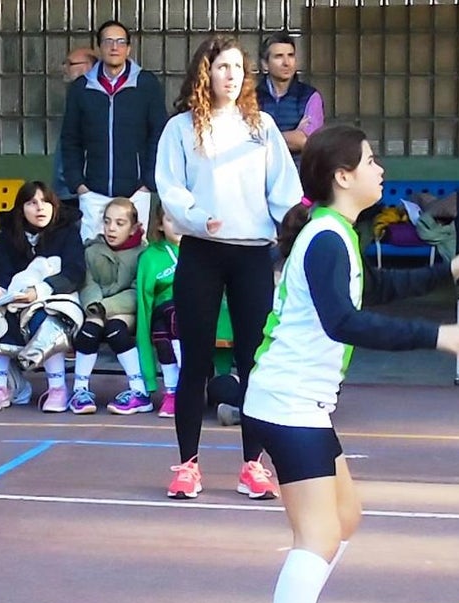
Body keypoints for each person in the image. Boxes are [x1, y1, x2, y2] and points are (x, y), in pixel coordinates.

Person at [245, 124, 459, 603]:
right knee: (318, 537)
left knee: (344, 519)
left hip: (305, 403)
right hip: (287, 403)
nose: (381, 169)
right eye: (372, 161)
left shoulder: (339, 235)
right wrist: (437, 335)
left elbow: (376, 286)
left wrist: (450, 268)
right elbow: (344, 321)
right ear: (343, 176)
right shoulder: (326, 238)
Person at [155, 34, 302, 501]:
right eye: (222, 66)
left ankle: (252, 466)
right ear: (206, 71)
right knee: (194, 360)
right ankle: (187, 465)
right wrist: (199, 217)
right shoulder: (180, 128)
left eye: (238, 67)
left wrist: (299, 228)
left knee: (252, 361)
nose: (231, 74)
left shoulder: (261, 127)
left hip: (252, 254)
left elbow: (284, 189)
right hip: (202, 251)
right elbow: (170, 187)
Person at [0, 181, 86, 412]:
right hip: (17, 297)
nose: (40, 208)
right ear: (21, 209)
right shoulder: (11, 232)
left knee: (47, 322)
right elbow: (3, 268)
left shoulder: (67, 230)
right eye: (32, 203)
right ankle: (0, 386)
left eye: (45, 202)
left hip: (56, 297)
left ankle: (57, 388)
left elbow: (74, 272)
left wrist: (38, 291)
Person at [60, 20, 167, 241]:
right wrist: (79, 185)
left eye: (120, 42)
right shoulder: (81, 88)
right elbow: (70, 139)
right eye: (108, 41)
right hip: (93, 193)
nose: (114, 47)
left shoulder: (146, 84)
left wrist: (148, 184)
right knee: (92, 256)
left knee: (134, 258)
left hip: (136, 192)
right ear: (99, 48)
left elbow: (159, 135)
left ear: (128, 48)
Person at [69, 197, 151, 415]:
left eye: (120, 223)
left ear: (134, 228)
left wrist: (106, 307)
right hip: (94, 308)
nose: (111, 228)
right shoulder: (91, 251)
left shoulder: (144, 254)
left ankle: (138, 391)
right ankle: (80, 389)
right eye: (107, 222)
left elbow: (136, 291)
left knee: (115, 329)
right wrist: (95, 307)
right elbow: (88, 283)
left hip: (127, 311)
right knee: (89, 331)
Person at [134, 202, 183, 419]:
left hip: (200, 313)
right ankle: (172, 392)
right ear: (160, 225)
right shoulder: (151, 256)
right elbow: (145, 303)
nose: (178, 226)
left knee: (174, 313)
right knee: (164, 322)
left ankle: (186, 383)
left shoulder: (203, 252)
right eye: (171, 220)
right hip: (166, 314)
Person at [256, 32, 324, 163]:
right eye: (279, 56)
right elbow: (245, 142)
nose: (286, 63)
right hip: (261, 176)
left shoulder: (310, 96)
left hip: (299, 177)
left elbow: (306, 141)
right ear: (265, 64)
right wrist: (293, 134)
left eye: (291, 56)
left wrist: (263, 139)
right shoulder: (251, 98)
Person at [52, 47, 98, 210]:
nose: (65, 68)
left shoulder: (93, 100)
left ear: (89, 67)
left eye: (70, 63)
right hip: (67, 189)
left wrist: (77, 184)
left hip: (80, 190)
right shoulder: (75, 96)